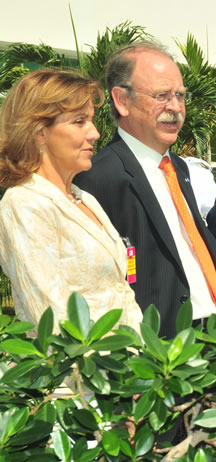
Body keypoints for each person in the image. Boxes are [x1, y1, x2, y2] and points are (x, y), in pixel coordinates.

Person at [75, 42, 216, 338]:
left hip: (214, 335)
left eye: (180, 95)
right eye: (161, 96)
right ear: (122, 100)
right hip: (155, 345)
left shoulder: (179, 168)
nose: (175, 108)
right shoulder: (97, 177)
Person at [0, 69, 142, 329]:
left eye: (91, 120)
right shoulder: (24, 204)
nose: (95, 133)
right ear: (40, 131)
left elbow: (121, 292)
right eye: (79, 121)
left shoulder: (83, 198)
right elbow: (51, 317)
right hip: (82, 355)